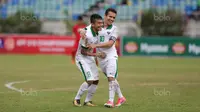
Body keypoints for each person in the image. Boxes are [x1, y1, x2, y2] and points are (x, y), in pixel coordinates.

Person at [80, 8, 126, 108]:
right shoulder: (98, 26)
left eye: (114, 17)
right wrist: (81, 31)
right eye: (110, 16)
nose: (112, 19)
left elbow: (110, 44)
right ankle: (121, 97)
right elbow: (85, 29)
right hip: (101, 58)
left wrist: (95, 46)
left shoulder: (114, 29)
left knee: (110, 78)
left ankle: (110, 101)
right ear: (105, 16)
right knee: (112, 78)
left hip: (111, 56)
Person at [73, 14, 106, 107]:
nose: (101, 25)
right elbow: (83, 51)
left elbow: (82, 29)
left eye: (101, 23)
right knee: (90, 79)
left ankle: (88, 101)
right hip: (81, 58)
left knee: (96, 80)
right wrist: (97, 54)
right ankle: (77, 99)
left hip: (90, 58)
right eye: (98, 23)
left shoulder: (98, 30)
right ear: (92, 24)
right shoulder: (87, 34)